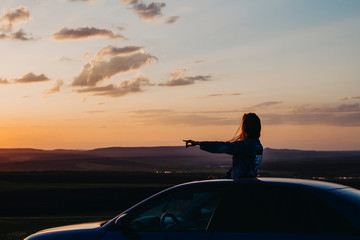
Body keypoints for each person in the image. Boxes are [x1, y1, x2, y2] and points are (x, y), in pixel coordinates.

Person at [184, 113, 263, 179]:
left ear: (245, 128)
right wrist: (219, 181)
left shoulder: (244, 146)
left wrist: (199, 143)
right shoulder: (258, 146)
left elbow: (220, 146)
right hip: (249, 186)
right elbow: (238, 168)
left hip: (241, 188)